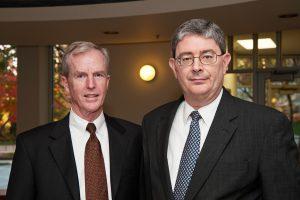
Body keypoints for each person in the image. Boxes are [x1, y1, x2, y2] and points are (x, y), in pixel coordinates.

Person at [141, 19, 300, 200]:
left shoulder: (266, 126)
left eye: (207, 56)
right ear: (174, 67)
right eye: (186, 58)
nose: (196, 67)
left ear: (225, 62)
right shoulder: (153, 123)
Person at [7, 41, 142, 200]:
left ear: (107, 82)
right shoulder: (32, 146)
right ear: (65, 83)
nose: (91, 85)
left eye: (98, 75)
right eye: (81, 75)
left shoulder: (136, 137)